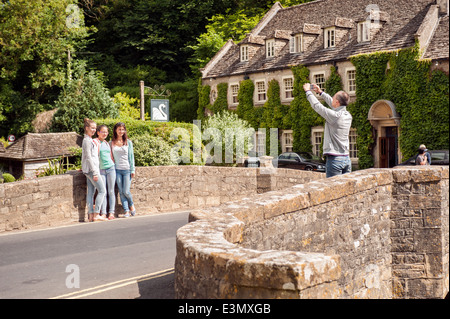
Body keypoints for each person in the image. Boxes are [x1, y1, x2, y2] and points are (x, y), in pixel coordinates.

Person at [303, 83, 353, 178]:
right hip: (346, 158)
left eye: (333, 98)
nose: (332, 99)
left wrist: (308, 92)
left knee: (334, 189)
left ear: (337, 102)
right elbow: (334, 104)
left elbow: (317, 106)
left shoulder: (335, 116)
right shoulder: (347, 115)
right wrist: (320, 92)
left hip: (335, 160)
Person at [81, 118, 107, 222]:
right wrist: (95, 172)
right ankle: (96, 214)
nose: (93, 130)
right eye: (92, 128)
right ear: (87, 128)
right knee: (102, 191)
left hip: (89, 170)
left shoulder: (88, 140)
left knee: (91, 193)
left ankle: (91, 215)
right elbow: (88, 157)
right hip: (92, 171)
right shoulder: (87, 140)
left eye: (95, 128)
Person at [111, 122, 136, 217]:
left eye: (122, 129)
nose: (121, 131)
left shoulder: (128, 142)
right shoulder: (111, 143)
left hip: (127, 170)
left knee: (126, 191)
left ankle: (131, 205)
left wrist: (132, 169)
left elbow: (131, 157)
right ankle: (126, 211)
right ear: (115, 130)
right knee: (121, 192)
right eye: (119, 129)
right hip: (117, 170)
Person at [96, 125, 116, 220]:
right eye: (103, 132)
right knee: (103, 191)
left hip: (111, 168)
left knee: (111, 191)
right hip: (101, 170)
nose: (105, 134)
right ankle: (103, 213)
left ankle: (111, 212)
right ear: (98, 132)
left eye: (106, 132)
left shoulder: (106, 143)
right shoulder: (95, 142)